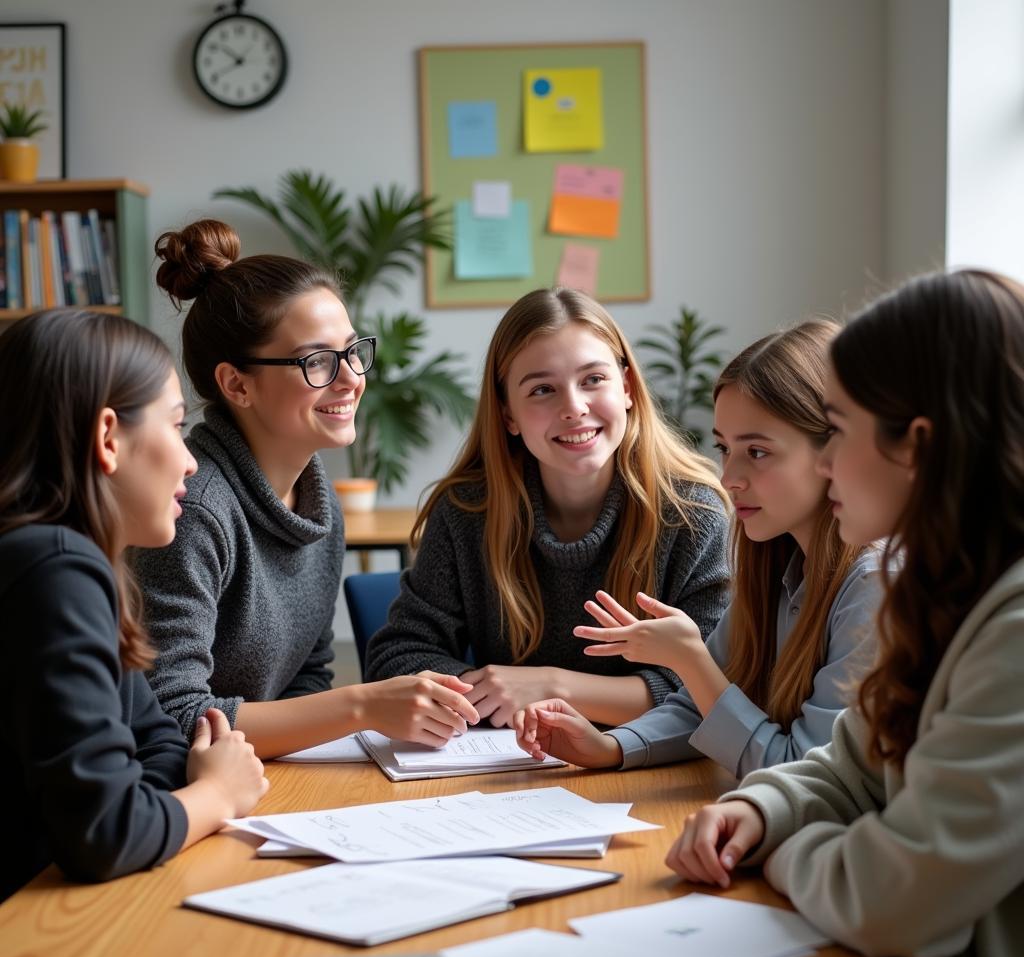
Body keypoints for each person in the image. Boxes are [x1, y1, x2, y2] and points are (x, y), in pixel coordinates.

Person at [668, 270, 1024, 957]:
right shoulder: (943, 593)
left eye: (841, 431)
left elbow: (895, 898)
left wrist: (782, 852)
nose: (827, 463)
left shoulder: (1014, 631)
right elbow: (853, 767)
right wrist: (762, 811)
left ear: (916, 449)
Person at [133, 220, 479, 760]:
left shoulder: (318, 504)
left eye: (352, 351)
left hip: (259, 781)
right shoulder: (193, 510)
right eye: (317, 361)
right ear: (237, 385)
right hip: (177, 795)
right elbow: (170, 716)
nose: (351, 379)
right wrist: (361, 707)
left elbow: (306, 677)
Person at [514, 319, 881, 775]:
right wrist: (611, 747)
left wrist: (690, 659)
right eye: (725, 449)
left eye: (758, 452)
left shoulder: (874, 586)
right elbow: (703, 710)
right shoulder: (779, 562)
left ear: (833, 452)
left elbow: (801, 773)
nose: (729, 478)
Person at [365, 287, 731, 728]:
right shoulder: (466, 511)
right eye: (542, 389)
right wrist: (491, 691)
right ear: (508, 416)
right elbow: (397, 656)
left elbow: (712, 687)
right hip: (510, 768)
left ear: (628, 388)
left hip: (650, 765)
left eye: (593, 379)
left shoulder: (692, 513)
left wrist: (552, 687)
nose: (574, 408)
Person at [0, 309, 268, 902]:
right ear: (107, 438)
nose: (190, 460)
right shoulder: (53, 570)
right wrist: (217, 796)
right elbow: (105, 832)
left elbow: (160, 744)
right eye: (175, 427)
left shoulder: (72, 562)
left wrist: (170, 796)